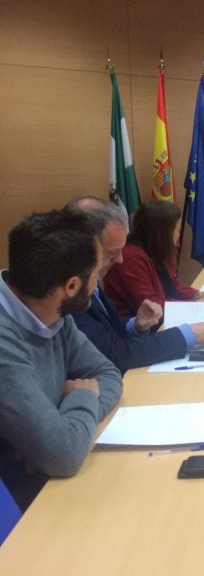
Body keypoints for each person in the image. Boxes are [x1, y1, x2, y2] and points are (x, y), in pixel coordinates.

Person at [0, 209, 123, 511]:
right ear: (71, 286)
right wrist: (78, 402)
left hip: (43, 481)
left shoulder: (52, 311)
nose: (99, 281)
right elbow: (63, 455)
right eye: (97, 273)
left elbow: (107, 373)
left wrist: (58, 426)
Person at [68, 196, 204, 374]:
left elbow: (109, 331)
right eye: (111, 253)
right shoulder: (71, 294)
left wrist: (135, 325)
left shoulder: (93, 281)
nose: (120, 259)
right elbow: (115, 354)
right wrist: (187, 335)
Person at [103, 200, 204, 317]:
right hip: (140, 332)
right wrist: (199, 304)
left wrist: (199, 295)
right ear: (162, 233)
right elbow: (152, 307)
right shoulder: (130, 258)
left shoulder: (150, 249)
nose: (179, 235)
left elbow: (169, 285)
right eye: (177, 230)